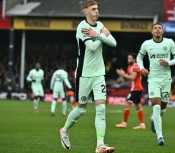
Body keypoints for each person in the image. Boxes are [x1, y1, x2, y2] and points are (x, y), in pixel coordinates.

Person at [59, 1, 117, 152]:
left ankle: (100, 145)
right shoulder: (82, 27)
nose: (97, 11)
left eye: (97, 8)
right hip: (84, 74)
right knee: (81, 109)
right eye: (93, 9)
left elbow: (114, 42)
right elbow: (91, 47)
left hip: (99, 74)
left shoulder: (99, 25)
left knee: (101, 108)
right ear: (85, 12)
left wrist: (98, 35)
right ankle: (64, 130)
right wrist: (101, 36)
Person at [136, 23, 175, 145]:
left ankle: (153, 118)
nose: (157, 30)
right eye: (155, 28)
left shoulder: (169, 42)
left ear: (162, 31)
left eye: (159, 28)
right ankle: (160, 136)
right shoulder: (146, 44)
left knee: (163, 109)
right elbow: (139, 58)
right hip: (153, 79)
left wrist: (168, 63)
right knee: (156, 106)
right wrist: (142, 68)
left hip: (166, 79)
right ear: (152, 32)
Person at [115, 53, 146, 130]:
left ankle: (124, 123)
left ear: (134, 59)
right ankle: (142, 124)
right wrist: (123, 74)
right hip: (135, 89)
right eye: (128, 58)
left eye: (130, 58)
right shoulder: (129, 67)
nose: (128, 60)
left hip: (136, 89)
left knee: (127, 104)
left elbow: (133, 77)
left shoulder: (135, 66)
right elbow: (127, 78)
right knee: (138, 106)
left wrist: (123, 74)